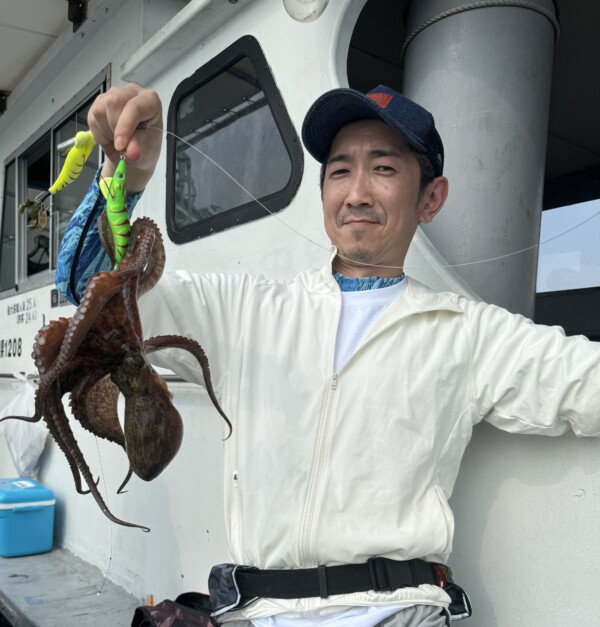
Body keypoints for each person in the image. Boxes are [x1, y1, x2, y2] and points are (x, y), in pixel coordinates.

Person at [56, 83, 600, 627]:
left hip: (398, 611)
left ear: (430, 198)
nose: (357, 192)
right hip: (258, 611)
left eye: (384, 170)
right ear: (323, 194)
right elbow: (88, 289)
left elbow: (587, 384)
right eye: (340, 171)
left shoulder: (468, 331)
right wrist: (122, 179)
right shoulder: (246, 308)